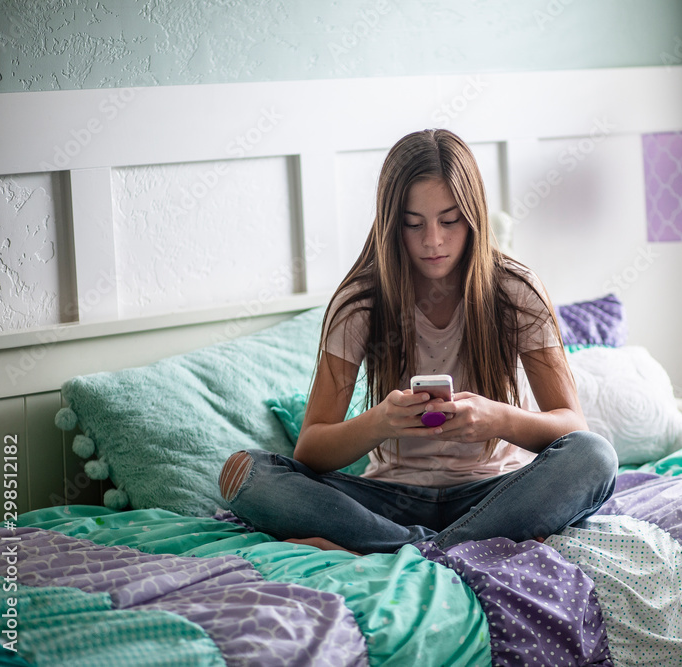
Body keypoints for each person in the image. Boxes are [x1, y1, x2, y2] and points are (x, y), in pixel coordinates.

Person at [218, 129, 618, 555]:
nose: (433, 241)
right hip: (389, 501)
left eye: (449, 221)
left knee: (595, 457)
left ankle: (400, 549)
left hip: (495, 495)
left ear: (474, 217)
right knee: (244, 473)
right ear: (392, 225)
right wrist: (382, 422)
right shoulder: (361, 303)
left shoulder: (516, 290)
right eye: (414, 224)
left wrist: (498, 419)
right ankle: (441, 547)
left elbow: (572, 428)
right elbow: (312, 449)